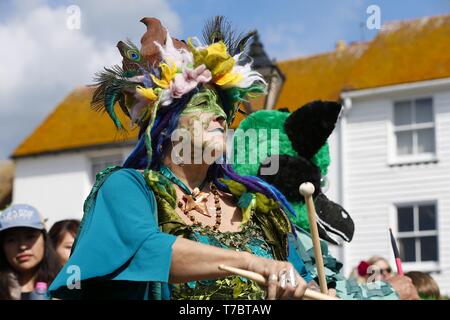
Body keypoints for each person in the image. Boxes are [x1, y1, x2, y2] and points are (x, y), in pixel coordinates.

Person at [49, 16, 417, 300]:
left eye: (224, 107)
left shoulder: (258, 205)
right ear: (163, 122)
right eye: (202, 104)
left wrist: (384, 291)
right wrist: (250, 263)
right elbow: (146, 248)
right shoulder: (129, 187)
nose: (221, 116)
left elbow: (315, 284)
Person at [0, 204, 60, 300]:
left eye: (30, 237)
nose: (22, 246)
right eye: (11, 239)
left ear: (44, 240)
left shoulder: (65, 286)